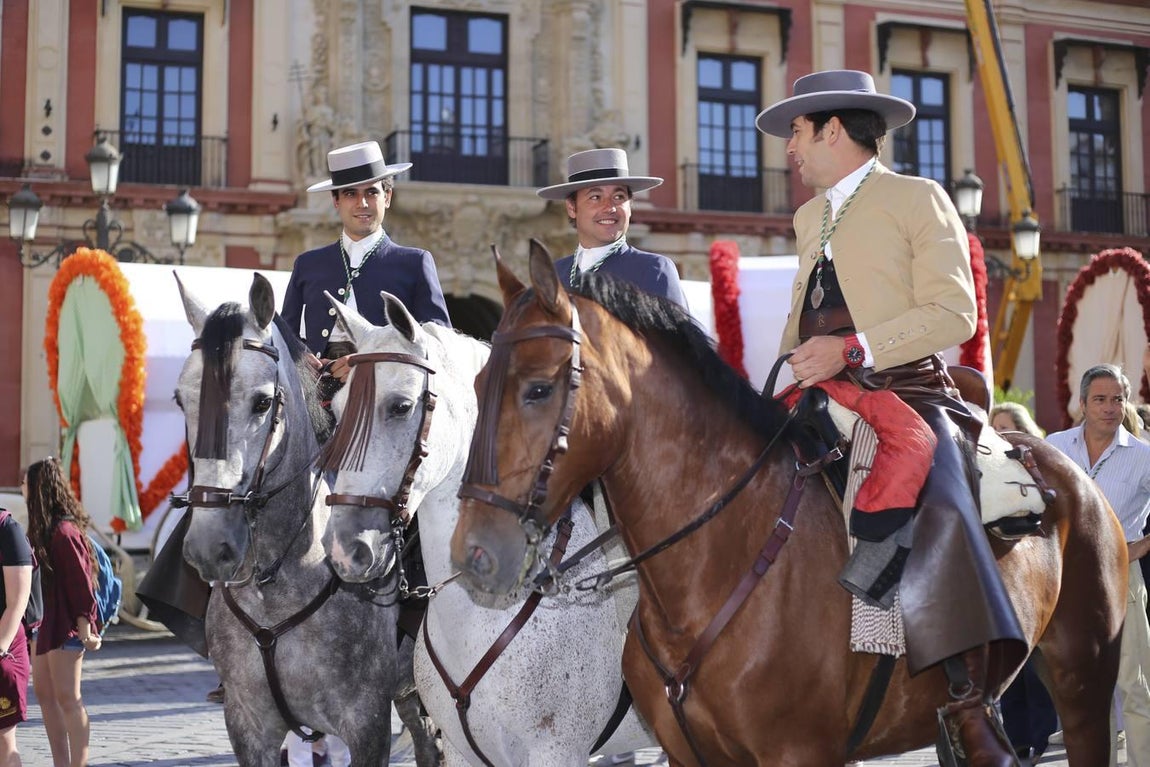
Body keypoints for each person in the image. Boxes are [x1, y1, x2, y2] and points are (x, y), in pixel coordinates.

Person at [757, 69, 1026, 763]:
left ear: (833, 130)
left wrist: (852, 347)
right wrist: (793, 360)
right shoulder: (808, 217)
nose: (789, 146)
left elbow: (956, 313)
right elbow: (802, 314)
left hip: (906, 388)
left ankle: (968, 698)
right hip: (817, 394)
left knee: (939, 494)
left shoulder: (918, 197)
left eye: (797, 130)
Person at [1048, 364, 1150, 767]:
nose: (1109, 408)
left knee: (1135, 685)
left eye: (1117, 399)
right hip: (1066, 582)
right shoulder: (1055, 445)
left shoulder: (1143, 456)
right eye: (1101, 399)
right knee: (1088, 688)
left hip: (1121, 575)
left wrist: (1142, 545)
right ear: (1083, 403)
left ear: (1126, 403)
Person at [282, 139, 452, 382]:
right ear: (336, 201)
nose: (362, 203)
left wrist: (366, 362)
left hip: (384, 395)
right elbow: (285, 334)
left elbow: (438, 341)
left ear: (387, 197)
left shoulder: (414, 263)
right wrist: (302, 358)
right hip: (313, 393)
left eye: (371, 192)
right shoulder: (307, 264)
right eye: (350, 193)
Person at [989, 403, 1058, 760]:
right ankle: (1015, 742)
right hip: (1002, 585)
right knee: (1010, 676)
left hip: (1034, 582)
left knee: (1035, 674)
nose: (998, 434)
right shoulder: (986, 474)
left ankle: (1044, 741)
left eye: (1006, 427)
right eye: (994, 427)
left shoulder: (1037, 470)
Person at [538, 147, 688, 309]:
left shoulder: (654, 270)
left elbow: (679, 334)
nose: (610, 207)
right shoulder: (553, 274)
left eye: (619, 197)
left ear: (630, 206)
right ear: (572, 208)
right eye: (595, 197)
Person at [23, 458, 101, 767]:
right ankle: (60, 762)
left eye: (26, 482)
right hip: (44, 626)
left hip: (67, 627)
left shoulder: (64, 533)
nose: (22, 488)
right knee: (45, 694)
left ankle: (78, 764)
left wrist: (86, 627)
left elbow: (81, 584)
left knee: (69, 697)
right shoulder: (42, 531)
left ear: (39, 487)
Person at [0, 504, 33, 767]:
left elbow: (17, 601)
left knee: (3, 740)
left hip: (5, 646)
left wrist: (0, 647)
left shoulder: (8, 529)